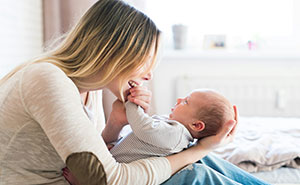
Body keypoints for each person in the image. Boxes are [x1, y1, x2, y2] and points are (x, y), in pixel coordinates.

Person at [0, 0, 268, 184]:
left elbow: (89, 155)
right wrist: (197, 150)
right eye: (145, 62)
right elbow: (107, 179)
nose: (149, 75)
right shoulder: (47, 80)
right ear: (115, 53)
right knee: (192, 173)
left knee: (200, 160)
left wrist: (115, 124)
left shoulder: (87, 88)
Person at [109, 89, 235, 163]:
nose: (179, 99)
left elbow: (143, 127)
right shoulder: (174, 129)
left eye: (186, 102)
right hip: (113, 157)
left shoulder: (176, 135)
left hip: (117, 169)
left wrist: (132, 102)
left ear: (196, 125)